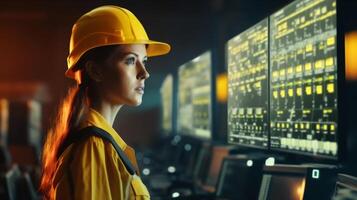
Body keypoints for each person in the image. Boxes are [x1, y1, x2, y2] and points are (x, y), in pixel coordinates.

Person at [40, 5, 170, 200]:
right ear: (95, 71)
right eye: (130, 60)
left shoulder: (100, 140)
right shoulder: (94, 147)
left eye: (144, 61)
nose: (144, 73)